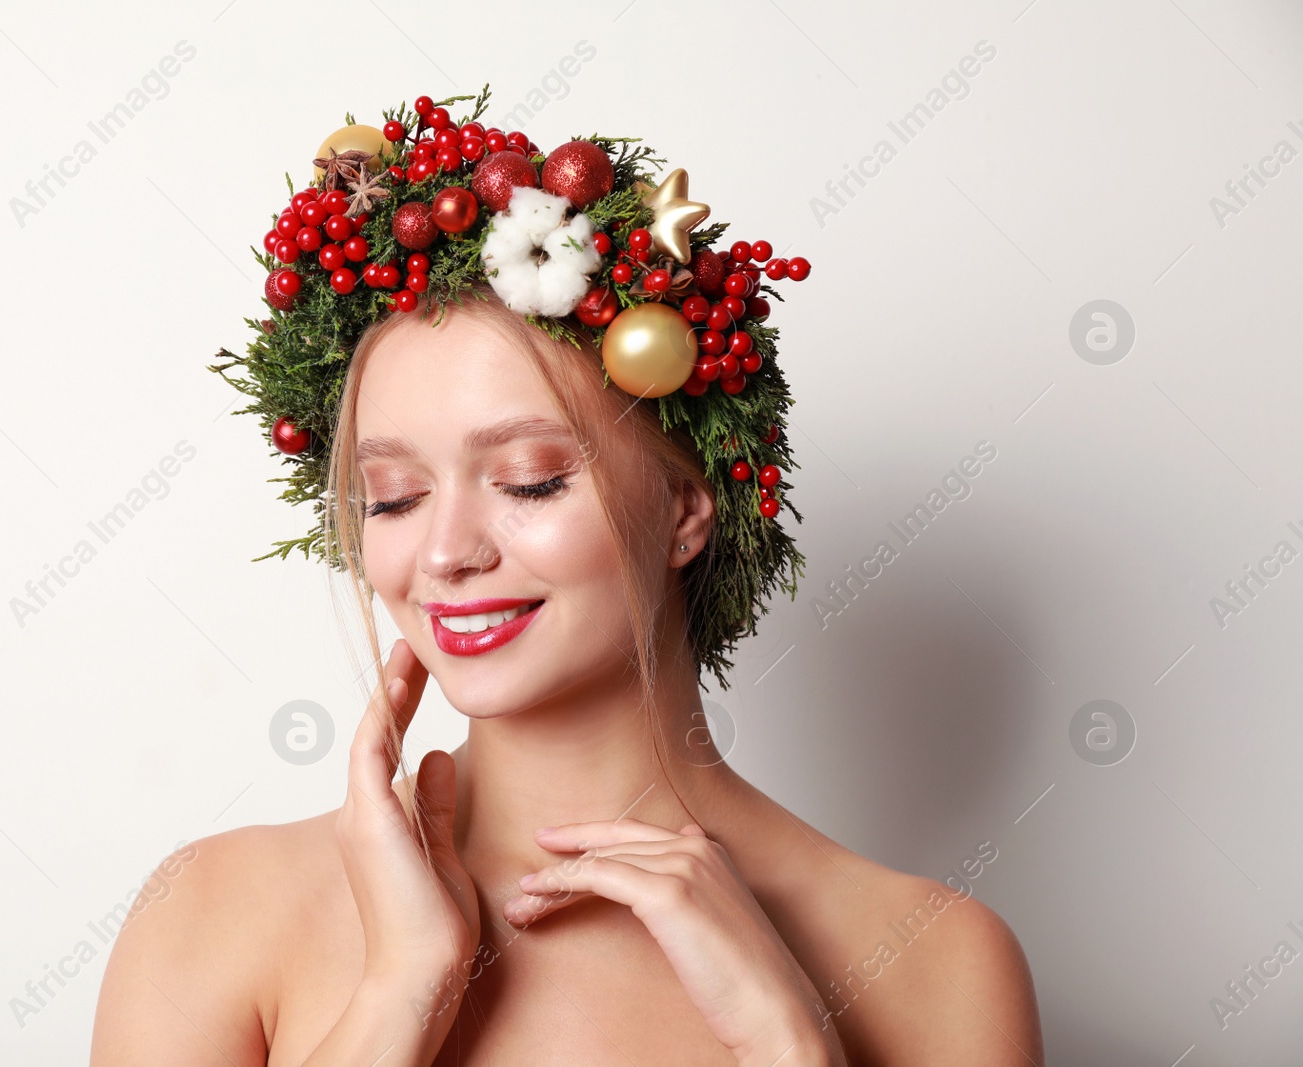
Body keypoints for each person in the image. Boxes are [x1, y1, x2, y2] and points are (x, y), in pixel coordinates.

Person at [88, 281, 1044, 1065]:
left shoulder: (937, 960)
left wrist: (788, 1042)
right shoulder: (214, 909)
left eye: (530, 481)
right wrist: (403, 990)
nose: (446, 553)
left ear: (682, 509)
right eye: (395, 497)